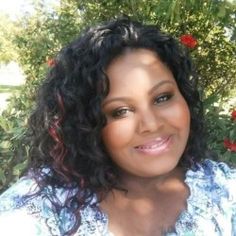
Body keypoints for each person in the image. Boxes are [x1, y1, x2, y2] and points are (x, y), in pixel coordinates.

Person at [0, 17, 235, 236]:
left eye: (162, 97)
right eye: (120, 111)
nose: (151, 124)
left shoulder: (225, 193)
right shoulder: (44, 204)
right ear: (86, 125)